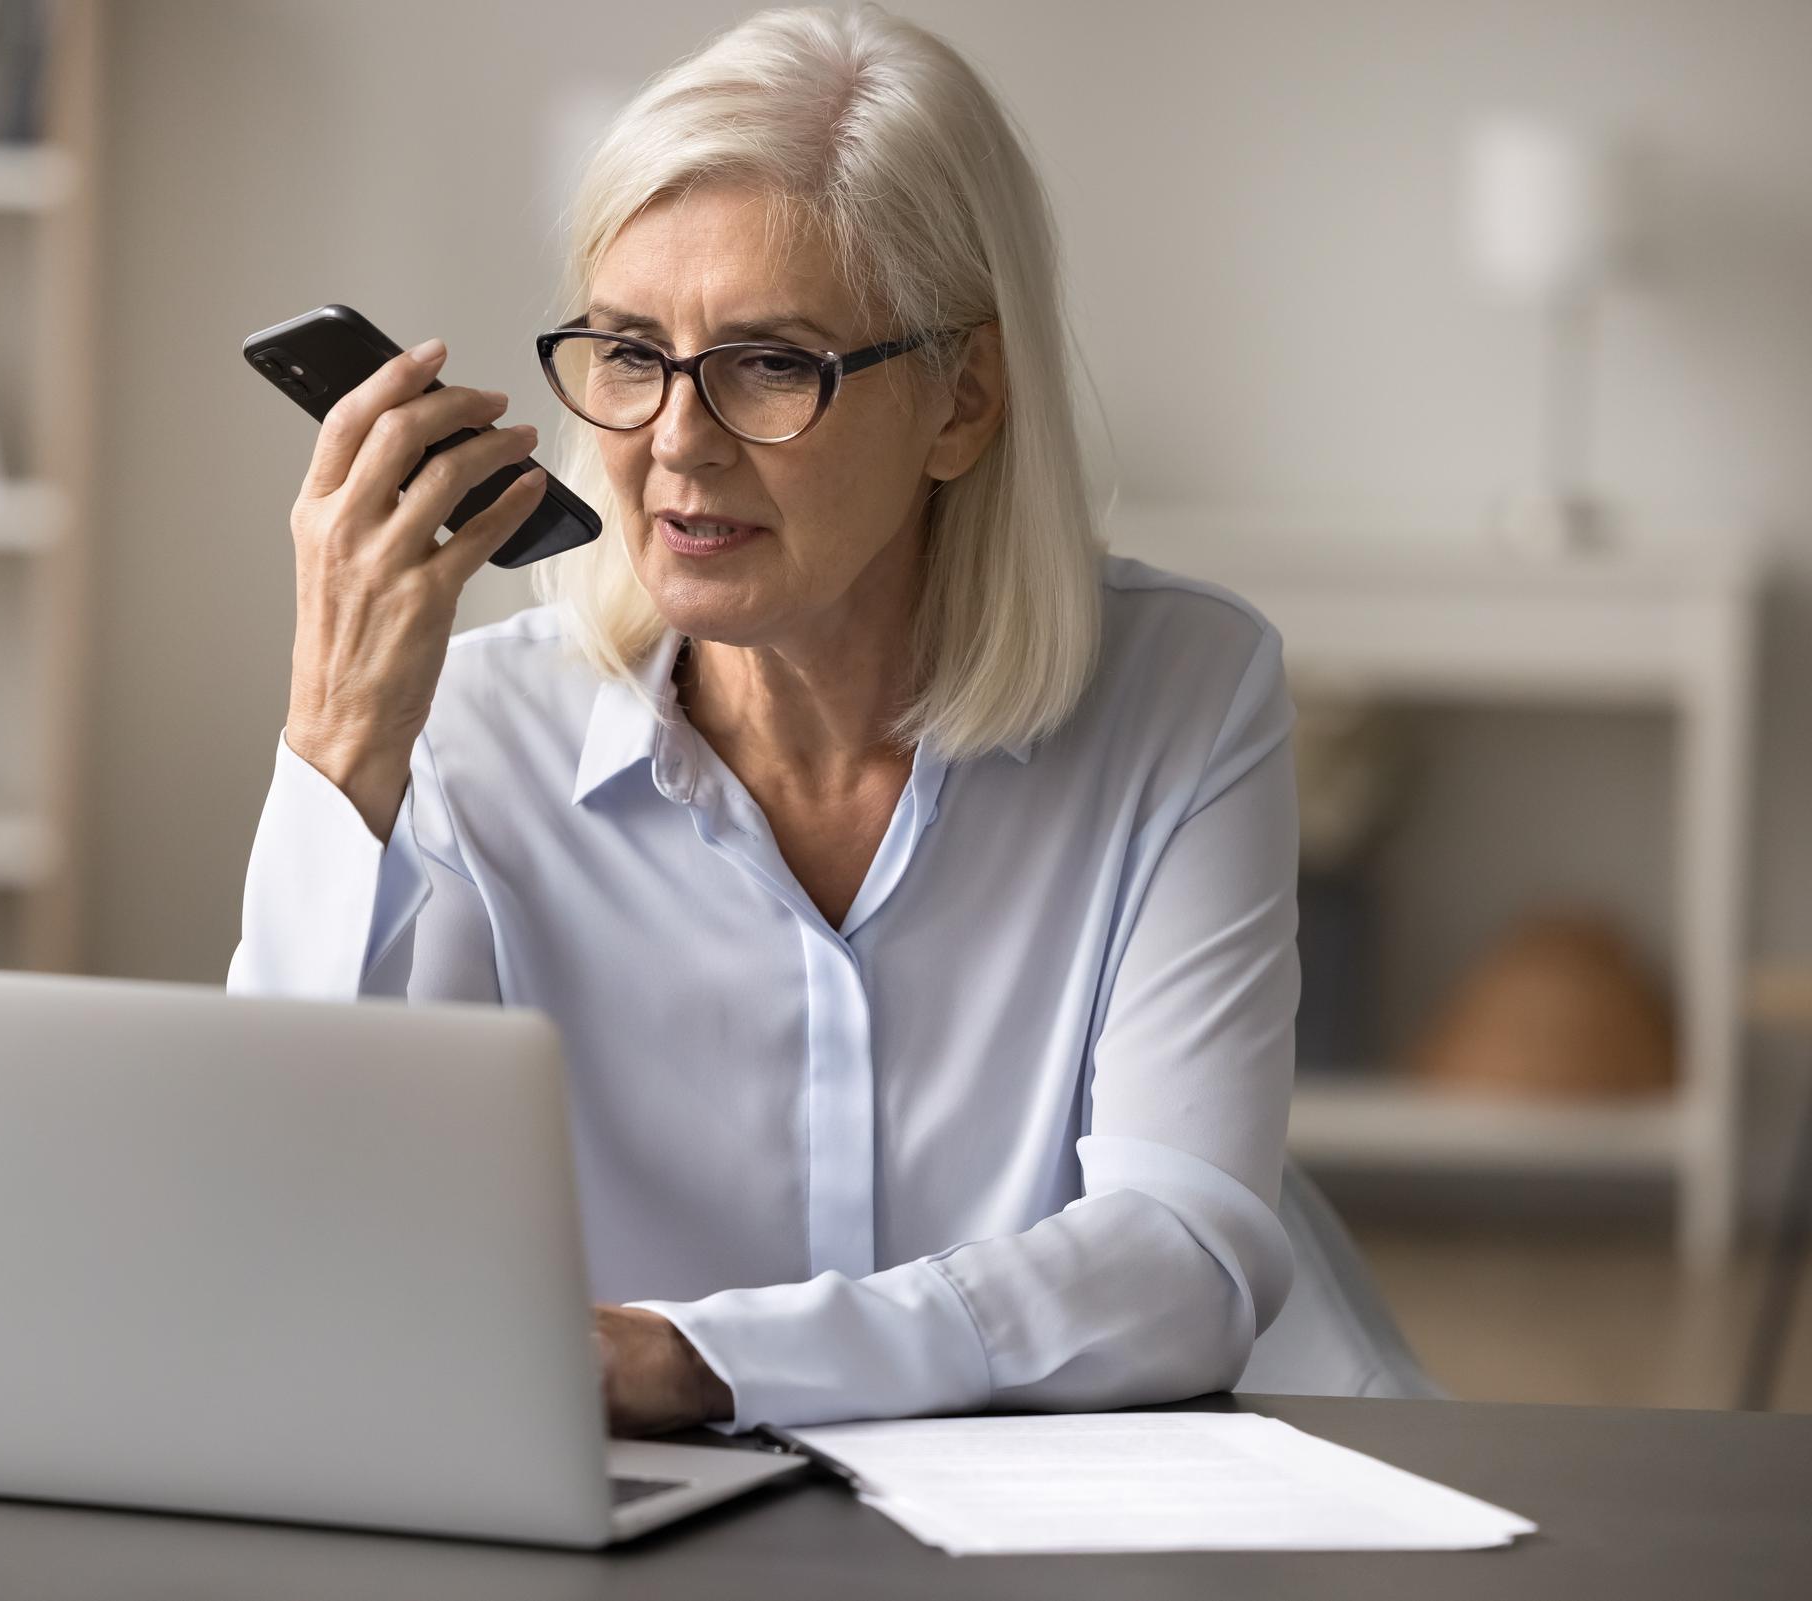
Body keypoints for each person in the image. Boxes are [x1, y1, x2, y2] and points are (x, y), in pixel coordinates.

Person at [228, 3, 1298, 1437]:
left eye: (769, 362)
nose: (675, 439)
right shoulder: (477, 739)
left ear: (963, 401)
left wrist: (702, 1358)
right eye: (626, 351)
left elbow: (1187, 1256)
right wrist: (337, 751)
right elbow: (292, 1235)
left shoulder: (1187, 697)